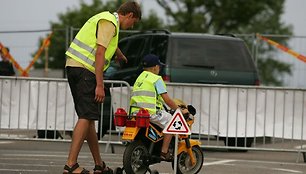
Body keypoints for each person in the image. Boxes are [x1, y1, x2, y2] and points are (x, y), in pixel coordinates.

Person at [64, 1, 141, 173]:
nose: (132, 25)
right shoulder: (110, 22)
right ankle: (70, 165)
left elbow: (104, 42)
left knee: (89, 117)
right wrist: (100, 84)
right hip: (86, 71)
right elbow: (99, 52)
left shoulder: (106, 18)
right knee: (85, 117)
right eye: (133, 22)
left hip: (75, 67)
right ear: (129, 15)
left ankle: (99, 164)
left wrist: (118, 53)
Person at [130, 54, 178, 161]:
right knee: (171, 122)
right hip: (150, 113)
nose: (159, 69)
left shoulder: (140, 78)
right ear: (154, 67)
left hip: (135, 113)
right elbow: (167, 99)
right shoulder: (156, 79)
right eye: (159, 67)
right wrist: (178, 109)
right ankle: (164, 151)